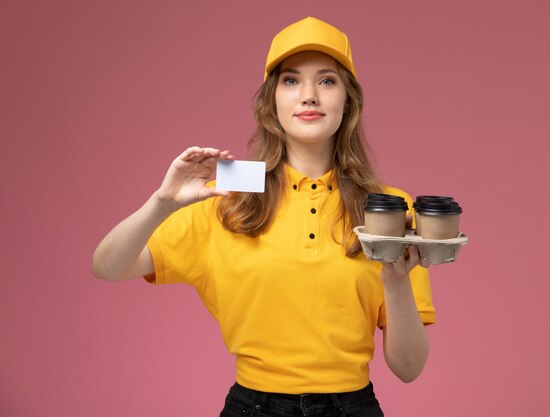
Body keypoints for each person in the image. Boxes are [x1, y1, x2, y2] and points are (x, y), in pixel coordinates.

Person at [92, 16, 435, 417]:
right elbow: (107, 267)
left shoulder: (387, 206)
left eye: (326, 81)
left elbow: (409, 369)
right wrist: (162, 202)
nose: (309, 95)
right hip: (253, 406)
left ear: (349, 100)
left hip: (353, 406)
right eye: (291, 81)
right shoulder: (234, 189)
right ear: (271, 100)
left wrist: (395, 283)